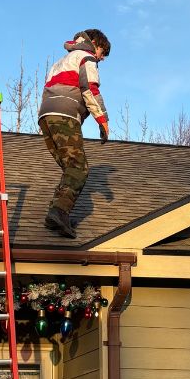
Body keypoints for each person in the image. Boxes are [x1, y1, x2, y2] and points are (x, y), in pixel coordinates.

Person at [37, 29, 110, 238]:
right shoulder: (86, 57)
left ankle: (56, 214)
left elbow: (47, 90)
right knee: (79, 169)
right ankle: (59, 212)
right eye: (102, 52)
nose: (101, 58)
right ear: (94, 43)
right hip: (65, 115)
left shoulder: (59, 62)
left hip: (46, 116)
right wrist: (103, 121)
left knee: (69, 168)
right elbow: (90, 90)